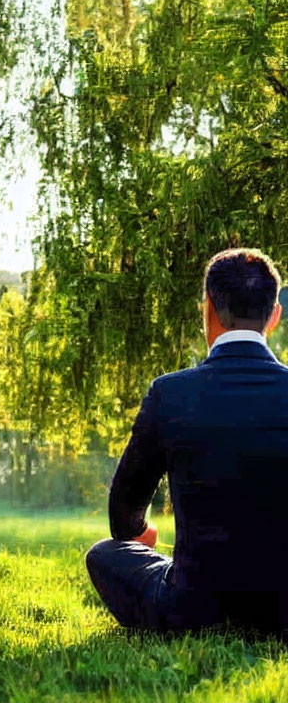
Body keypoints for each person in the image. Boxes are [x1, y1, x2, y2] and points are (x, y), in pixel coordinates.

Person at [85, 247, 288, 633]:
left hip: (192, 608)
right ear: (274, 315)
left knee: (105, 555)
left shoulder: (171, 394)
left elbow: (124, 507)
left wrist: (137, 536)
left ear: (206, 309)